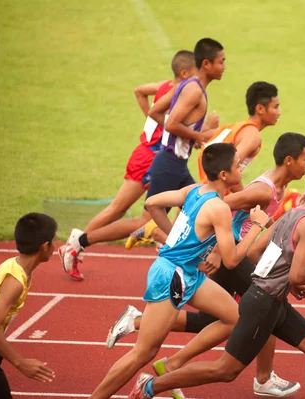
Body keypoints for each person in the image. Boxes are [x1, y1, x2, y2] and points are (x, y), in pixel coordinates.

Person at [126, 161, 305, 399]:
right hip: (264, 304)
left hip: (272, 301)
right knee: (225, 369)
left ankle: (155, 378)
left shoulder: (291, 215)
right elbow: (297, 274)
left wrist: (286, 282)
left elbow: (257, 253)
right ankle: (150, 386)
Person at [107, 133, 305, 398]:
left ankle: (150, 337)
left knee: (228, 316)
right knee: (264, 306)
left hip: (219, 253)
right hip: (224, 253)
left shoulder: (275, 187)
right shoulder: (262, 189)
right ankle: (262, 379)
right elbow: (217, 206)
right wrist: (208, 244)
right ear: (289, 160)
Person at [89, 143, 268, 399]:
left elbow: (152, 203)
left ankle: (173, 362)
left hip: (189, 275)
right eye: (238, 163)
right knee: (144, 352)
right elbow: (231, 260)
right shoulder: (219, 209)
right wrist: (256, 227)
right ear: (225, 175)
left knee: (234, 317)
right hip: (172, 275)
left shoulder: (195, 190)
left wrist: (174, 235)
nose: (242, 166)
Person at [61, 38, 226, 280]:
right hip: (169, 164)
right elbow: (170, 122)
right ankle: (81, 241)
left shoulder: (187, 85)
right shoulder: (193, 90)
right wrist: (195, 135)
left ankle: (182, 258)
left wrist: (188, 138)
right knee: (147, 220)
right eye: (221, 62)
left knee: (199, 209)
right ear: (207, 64)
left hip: (175, 164)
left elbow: (154, 111)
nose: (224, 66)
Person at [127, 80, 282, 248]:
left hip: (204, 188)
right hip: (212, 195)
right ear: (260, 109)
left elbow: (205, 138)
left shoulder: (234, 127)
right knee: (201, 250)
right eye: (275, 107)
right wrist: (243, 196)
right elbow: (231, 165)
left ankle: (160, 234)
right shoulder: (253, 136)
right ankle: (156, 232)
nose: (279, 112)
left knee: (193, 248)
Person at [0, 213, 58, 398]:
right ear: (44, 247)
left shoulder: (12, 265)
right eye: (54, 242)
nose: (55, 247)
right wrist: (20, 363)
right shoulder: (16, 282)